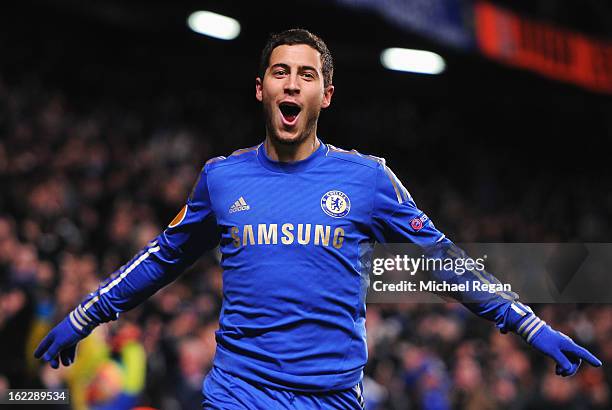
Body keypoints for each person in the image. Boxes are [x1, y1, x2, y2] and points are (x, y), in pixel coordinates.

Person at [35, 29, 602, 409]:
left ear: (325, 95)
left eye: (306, 75)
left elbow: (444, 262)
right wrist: (87, 315)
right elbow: (163, 258)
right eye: (280, 72)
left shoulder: (369, 179)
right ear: (261, 89)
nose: (291, 83)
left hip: (329, 397)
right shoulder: (222, 178)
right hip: (239, 393)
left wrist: (528, 324)